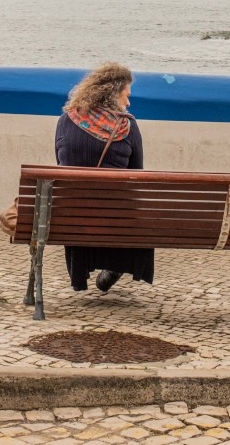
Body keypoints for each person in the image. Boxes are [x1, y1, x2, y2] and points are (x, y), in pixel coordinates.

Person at [54, 62, 152, 293]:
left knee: (79, 203)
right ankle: (115, 266)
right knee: (124, 206)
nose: (128, 102)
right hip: (114, 214)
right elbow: (136, 172)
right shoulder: (126, 126)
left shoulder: (65, 121)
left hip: (72, 214)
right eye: (126, 95)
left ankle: (80, 273)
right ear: (112, 95)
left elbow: (61, 165)